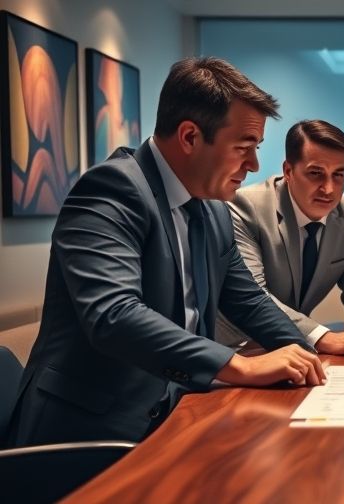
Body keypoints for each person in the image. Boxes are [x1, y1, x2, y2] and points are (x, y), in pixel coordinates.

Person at [7, 57, 324, 447]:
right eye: (243, 147)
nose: (254, 165)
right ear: (190, 137)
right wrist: (237, 364)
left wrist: (309, 355)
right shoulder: (111, 189)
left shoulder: (212, 207)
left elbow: (247, 301)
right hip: (85, 435)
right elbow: (114, 314)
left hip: (176, 417)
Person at [216, 120, 344, 358]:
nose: (328, 189)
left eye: (338, 175)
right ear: (288, 171)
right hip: (236, 350)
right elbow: (255, 295)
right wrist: (323, 337)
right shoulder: (245, 207)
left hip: (293, 352)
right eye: (316, 174)